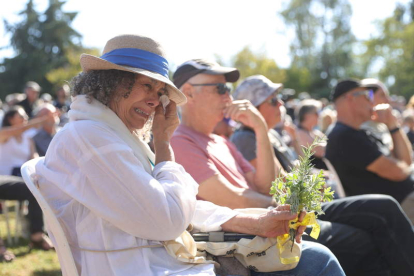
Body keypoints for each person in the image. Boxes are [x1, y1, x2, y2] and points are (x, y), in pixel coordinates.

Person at [35, 35, 343, 276]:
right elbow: (167, 220)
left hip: (165, 263)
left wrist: (254, 222)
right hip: (152, 269)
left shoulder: (107, 135)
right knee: (319, 262)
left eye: (160, 92)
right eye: (147, 86)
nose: (156, 101)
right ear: (110, 83)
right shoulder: (91, 138)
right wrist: (164, 144)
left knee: (317, 257)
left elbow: (174, 207)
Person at [171, 70, 414, 276]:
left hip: (283, 212)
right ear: (189, 93)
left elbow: (271, 183)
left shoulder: (224, 141)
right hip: (269, 222)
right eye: (221, 88)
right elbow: (246, 197)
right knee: (369, 231)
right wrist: (260, 129)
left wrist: (262, 129)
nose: (228, 95)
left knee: (381, 211)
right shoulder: (225, 139)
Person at [326, 79, 414, 224]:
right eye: (368, 96)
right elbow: (398, 172)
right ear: (350, 97)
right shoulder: (345, 136)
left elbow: (406, 161)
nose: (373, 103)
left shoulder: (357, 132)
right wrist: (401, 167)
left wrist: (393, 125)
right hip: (396, 209)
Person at [294, 99, 328, 170]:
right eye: (317, 113)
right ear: (307, 116)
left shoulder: (313, 132)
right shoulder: (300, 133)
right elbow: (320, 151)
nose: (320, 115)